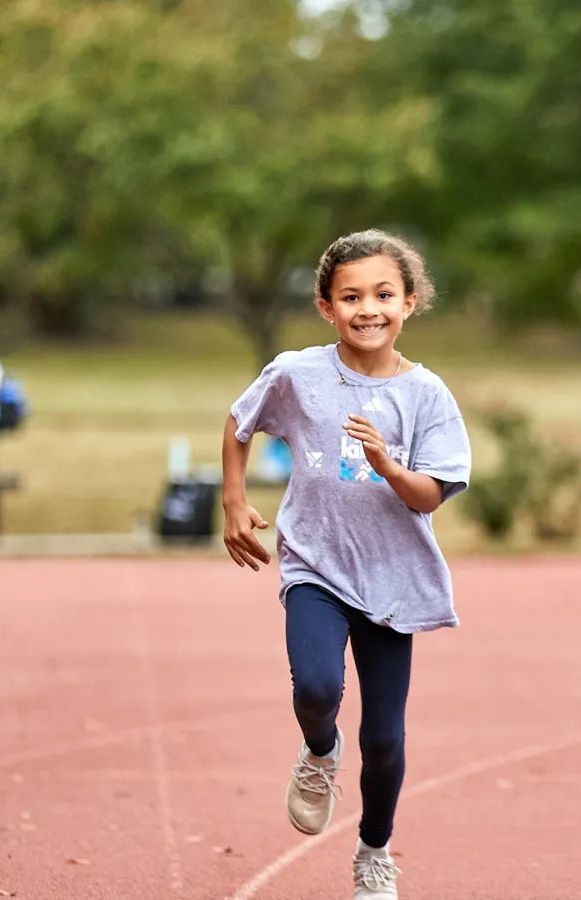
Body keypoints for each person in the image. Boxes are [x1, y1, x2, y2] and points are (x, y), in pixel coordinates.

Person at [221, 230, 472, 900]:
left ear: (410, 302)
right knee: (315, 688)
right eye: (351, 295)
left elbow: (431, 496)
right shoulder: (297, 374)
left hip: (393, 578)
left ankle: (374, 851)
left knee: (385, 740)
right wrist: (233, 500)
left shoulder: (427, 396)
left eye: (384, 294)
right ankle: (321, 750)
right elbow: (240, 423)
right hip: (315, 566)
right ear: (326, 306)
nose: (369, 308)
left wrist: (389, 462)